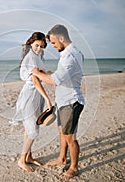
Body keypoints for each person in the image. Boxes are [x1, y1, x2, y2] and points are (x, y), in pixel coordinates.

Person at [32, 24, 85, 179]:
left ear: (62, 38)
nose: (53, 46)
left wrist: (36, 73)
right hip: (63, 101)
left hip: (71, 102)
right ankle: (62, 158)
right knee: (62, 132)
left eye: (54, 43)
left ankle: (74, 167)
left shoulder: (70, 56)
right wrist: (48, 73)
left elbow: (55, 81)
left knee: (70, 137)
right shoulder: (72, 53)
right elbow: (63, 75)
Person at [10, 32, 53, 172]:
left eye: (41, 46)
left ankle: (29, 156)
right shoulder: (30, 58)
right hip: (29, 97)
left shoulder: (37, 57)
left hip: (36, 97)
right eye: (36, 45)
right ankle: (21, 160)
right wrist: (47, 98)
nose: (39, 48)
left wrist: (50, 74)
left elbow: (40, 75)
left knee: (30, 129)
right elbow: (35, 80)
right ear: (30, 43)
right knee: (33, 131)